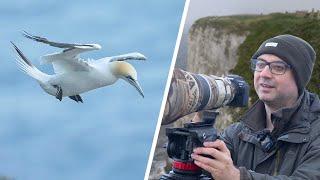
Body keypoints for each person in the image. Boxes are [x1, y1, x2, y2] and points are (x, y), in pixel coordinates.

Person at [191, 34, 320, 180]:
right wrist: (197, 138)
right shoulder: (238, 132)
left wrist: (238, 177)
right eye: (260, 64)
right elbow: (210, 170)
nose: (264, 74)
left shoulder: (315, 134)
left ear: (299, 77)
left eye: (278, 67)